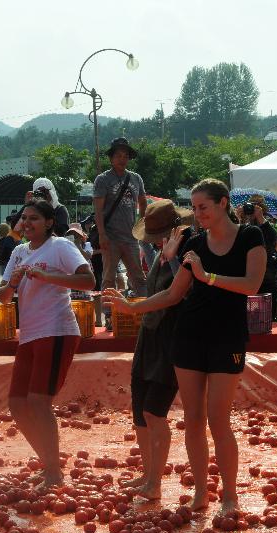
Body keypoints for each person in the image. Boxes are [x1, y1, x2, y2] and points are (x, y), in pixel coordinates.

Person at [104, 179, 266, 515]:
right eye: (193, 208)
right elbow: (174, 294)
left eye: (203, 206)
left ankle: (230, 496)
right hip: (189, 336)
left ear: (223, 203)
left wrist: (208, 277)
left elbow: (252, 284)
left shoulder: (251, 236)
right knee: (193, 420)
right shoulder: (194, 242)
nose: (197, 213)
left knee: (218, 419)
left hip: (227, 337)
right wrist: (133, 307)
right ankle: (201, 493)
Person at [0, 199, 95, 491]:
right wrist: (12, 284)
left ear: (49, 222)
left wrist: (48, 276)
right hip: (29, 334)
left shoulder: (60, 246)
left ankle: (53, 471)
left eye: (34, 218)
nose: (27, 223)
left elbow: (88, 280)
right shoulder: (18, 252)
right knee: (17, 404)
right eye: (24, 218)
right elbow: (3, 298)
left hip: (56, 330)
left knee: (38, 402)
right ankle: (48, 461)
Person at [111, 201, 193, 501]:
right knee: (140, 414)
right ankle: (147, 475)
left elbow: (174, 296)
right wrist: (131, 300)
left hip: (172, 340)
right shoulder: (161, 250)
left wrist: (132, 306)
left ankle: (155, 482)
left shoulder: (188, 252)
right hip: (149, 335)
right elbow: (154, 292)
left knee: (154, 411)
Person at [93, 138, 148, 300]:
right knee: (109, 279)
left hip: (131, 238)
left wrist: (141, 224)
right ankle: (110, 316)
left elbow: (143, 201)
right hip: (110, 238)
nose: (122, 159)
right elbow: (97, 209)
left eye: (125, 156)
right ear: (111, 158)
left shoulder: (136, 178)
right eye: (118, 155)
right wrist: (102, 234)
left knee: (139, 278)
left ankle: (144, 315)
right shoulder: (103, 180)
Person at [237, 196, 277, 320]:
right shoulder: (242, 226)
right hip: (246, 277)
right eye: (249, 207)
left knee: (267, 316)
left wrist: (261, 218)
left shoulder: (270, 225)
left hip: (267, 278)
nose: (251, 210)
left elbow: (274, 240)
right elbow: (236, 243)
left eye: (255, 207)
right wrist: (240, 219)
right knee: (248, 316)